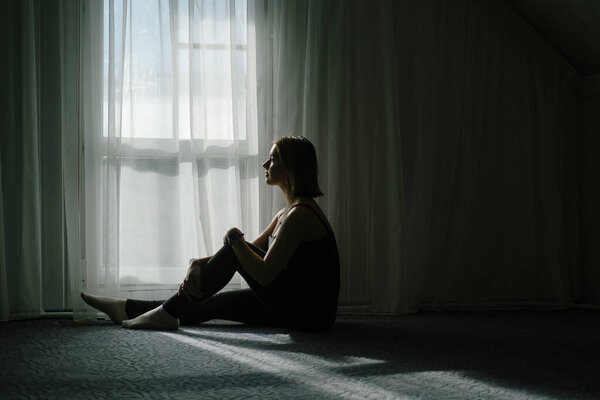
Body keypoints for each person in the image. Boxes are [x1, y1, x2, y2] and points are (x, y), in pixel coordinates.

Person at [81, 136, 340, 331]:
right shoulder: (286, 214)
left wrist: (233, 237)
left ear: (291, 168)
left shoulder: (301, 215)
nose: (264, 163)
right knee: (216, 303)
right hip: (291, 305)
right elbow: (244, 254)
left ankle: (166, 314)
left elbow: (262, 272)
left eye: (273, 159)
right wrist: (197, 263)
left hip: (309, 317)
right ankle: (128, 308)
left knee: (234, 246)